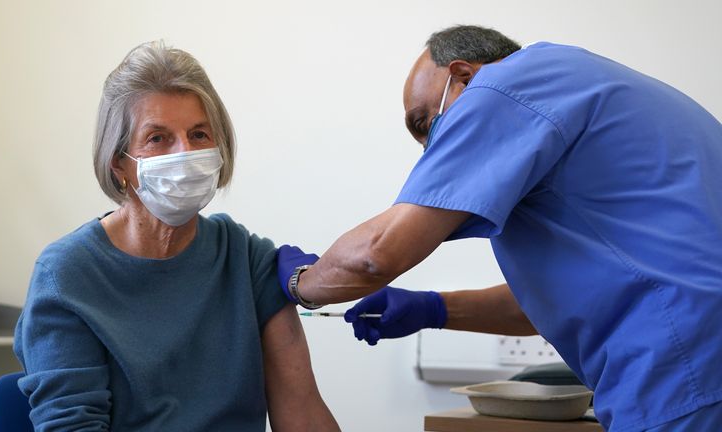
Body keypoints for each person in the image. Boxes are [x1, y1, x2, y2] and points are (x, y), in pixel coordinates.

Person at [277, 25, 722, 432]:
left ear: (463, 75)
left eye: (426, 124)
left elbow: (376, 254)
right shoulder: (590, 88)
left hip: (684, 366)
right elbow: (554, 304)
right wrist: (434, 309)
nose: (433, 150)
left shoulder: (504, 86)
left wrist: (300, 282)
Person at [14, 41, 340, 432]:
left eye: (199, 134)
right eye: (158, 138)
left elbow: (302, 412)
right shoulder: (68, 276)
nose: (185, 153)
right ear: (120, 163)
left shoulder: (244, 258)